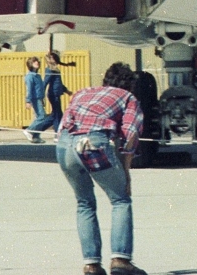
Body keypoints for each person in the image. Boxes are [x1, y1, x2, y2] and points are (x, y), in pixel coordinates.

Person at [57, 62, 146, 275]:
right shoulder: (127, 97)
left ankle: (91, 265)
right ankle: (121, 260)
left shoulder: (83, 91)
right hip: (94, 144)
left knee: (84, 203)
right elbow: (131, 133)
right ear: (130, 85)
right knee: (120, 200)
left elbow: (63, 124)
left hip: (64, 146)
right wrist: (126, 173)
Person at [30, 51, 73, 136]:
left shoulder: (55, 69)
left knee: (57, 114)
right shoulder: (50, 69)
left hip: (56, 94)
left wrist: (67, 91)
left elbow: (58, 83)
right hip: (53, 94)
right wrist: (41, 96)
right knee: (56, 115)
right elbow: (45, 82)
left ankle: (36, 132)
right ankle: (39, 131)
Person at [24, 56, 48, 143]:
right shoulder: (30, 76)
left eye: (37, 61)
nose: (37, 62)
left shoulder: (37, 76)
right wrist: (28, 101)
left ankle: (36, 137)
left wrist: (42, 99)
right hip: (34, 99)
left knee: (38, 118)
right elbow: (29, 89)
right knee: (42, 117)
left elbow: (40, 88)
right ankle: (29, 130)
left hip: (39, 98)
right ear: (30, 64)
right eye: (34, 62)